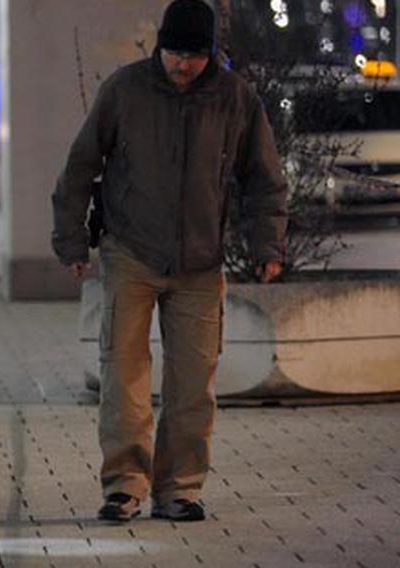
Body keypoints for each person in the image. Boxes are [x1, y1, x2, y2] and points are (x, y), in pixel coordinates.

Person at [52, 0, 288, 523]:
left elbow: (265, 179)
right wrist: (72, 242)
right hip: (131, 252)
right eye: (176, 53)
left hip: (200, 262)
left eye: (196, 56)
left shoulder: (234, 98)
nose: (184, 65)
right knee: (124, 375)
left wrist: (268, 245)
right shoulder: (126, 89)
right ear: (160, 46)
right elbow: (79, 167)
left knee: (193, 381)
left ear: (212, 54)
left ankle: (180, 488)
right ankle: (125, 485)